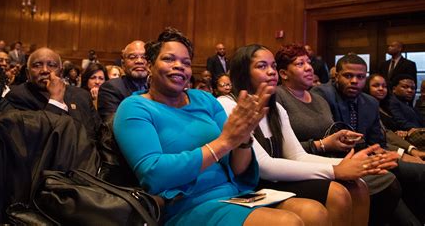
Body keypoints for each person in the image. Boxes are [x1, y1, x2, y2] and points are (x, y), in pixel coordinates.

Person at [114, 28, 329, 226]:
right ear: (150, 65)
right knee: (286, 223)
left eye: (186, 62)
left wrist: (243, 139)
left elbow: (238, 169)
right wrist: (224, 142)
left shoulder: (204, 100)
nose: (179, 66)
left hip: (235, 194)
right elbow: (154, 173)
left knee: (314, 212)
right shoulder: (135, 108)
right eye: (169, 59)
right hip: (186, 205)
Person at [218, 44, 400, 226]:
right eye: (262, 66)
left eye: (273, 66)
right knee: (336, 193)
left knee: (357, 186)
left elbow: (297, 156)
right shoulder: (228, 105)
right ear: (243, 72)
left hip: (276, 179)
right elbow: (263, 166)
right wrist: (335, 170)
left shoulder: (277, 109)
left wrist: (360, 164)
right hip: (249, 184)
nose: (271, 72)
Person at [312, 54, 425, 224]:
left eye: (360, 77)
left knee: (419, 172)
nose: (354, 81)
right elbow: (326, 135)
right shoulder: (322, 94)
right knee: (390, 183)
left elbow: (378, 141)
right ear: (336, 76)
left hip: (370, 156)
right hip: (339, 161)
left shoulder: (370, 102)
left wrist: (382, 154)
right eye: (348, 76)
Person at [5, 47, 101, 142]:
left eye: (52, 65)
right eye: (37, 65)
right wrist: (55, 100)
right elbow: (34, 139)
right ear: (27, 73)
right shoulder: (16, 96)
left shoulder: (81, 95)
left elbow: (99, 133)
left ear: (61, 72)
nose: (45, 70)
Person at [365, 74, 425, 160]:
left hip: (399, 142)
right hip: (384, 148)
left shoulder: (385, 105)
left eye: (384, 86)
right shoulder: (366, 108)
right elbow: (383, 134)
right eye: (376, 86)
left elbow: (389, 130)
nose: (381, 89)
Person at [98, 40, 149, 122]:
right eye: (132, 57)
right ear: (123, 64)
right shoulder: (111, 88)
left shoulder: (157, 88)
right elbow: (112, 124)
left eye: (144, 57)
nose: (139, 61)